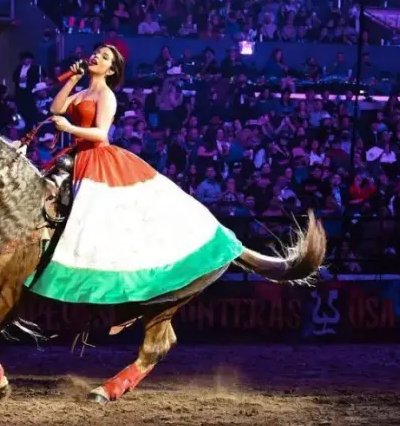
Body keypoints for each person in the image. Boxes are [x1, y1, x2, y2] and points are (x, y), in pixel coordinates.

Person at [28, 45, 244, 305]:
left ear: (111, 70)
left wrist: (71, 127)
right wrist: (73, 78)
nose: (96, 56)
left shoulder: (106, 96)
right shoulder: (82, 91)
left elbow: (101, 134)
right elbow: (56, 108)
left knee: (88, 216)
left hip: (95, 157)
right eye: (97, 53)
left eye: (105, 57)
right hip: (76, 154)